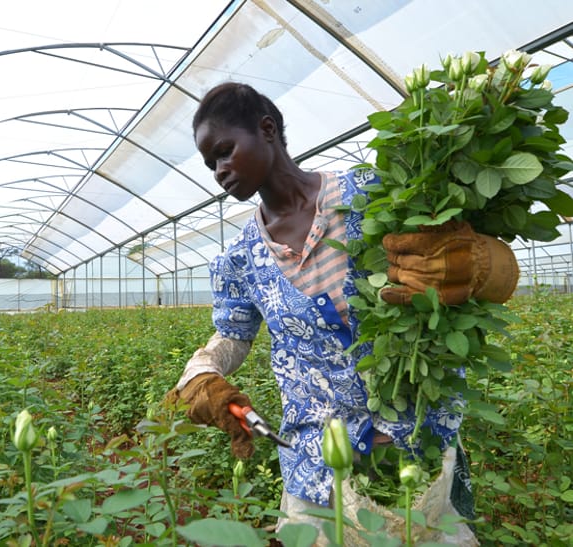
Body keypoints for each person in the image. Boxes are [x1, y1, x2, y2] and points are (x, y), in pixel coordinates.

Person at [167, 82, 518, 543]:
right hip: (316, 461)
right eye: (211, 163)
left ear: (266, 129)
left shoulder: (372, 195)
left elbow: (482, 269)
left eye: (225, 151)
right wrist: (201, 372)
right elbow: (233, 334)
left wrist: (479, 264)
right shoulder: (239, 257)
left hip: (415, 445)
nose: (220, 171)